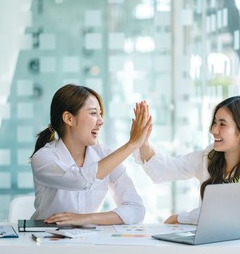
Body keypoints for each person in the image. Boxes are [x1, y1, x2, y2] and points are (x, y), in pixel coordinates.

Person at [134, 96, 240, 225]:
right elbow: (165, 168)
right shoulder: (209, 157)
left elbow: (236, 212)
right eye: (215, 122)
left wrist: (181, 218)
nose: (213, 130)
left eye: (222, 124)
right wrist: (142, 142)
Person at [30, 84, 152, 226]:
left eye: (101, 114)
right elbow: (81, 180)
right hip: (46, 241)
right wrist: (131, 145)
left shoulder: (105, 154)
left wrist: (87, 219)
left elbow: (136, 209)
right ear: (69, 118)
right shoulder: (43, 158)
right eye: (94, 113)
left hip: (89, 242)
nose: (101, 121)